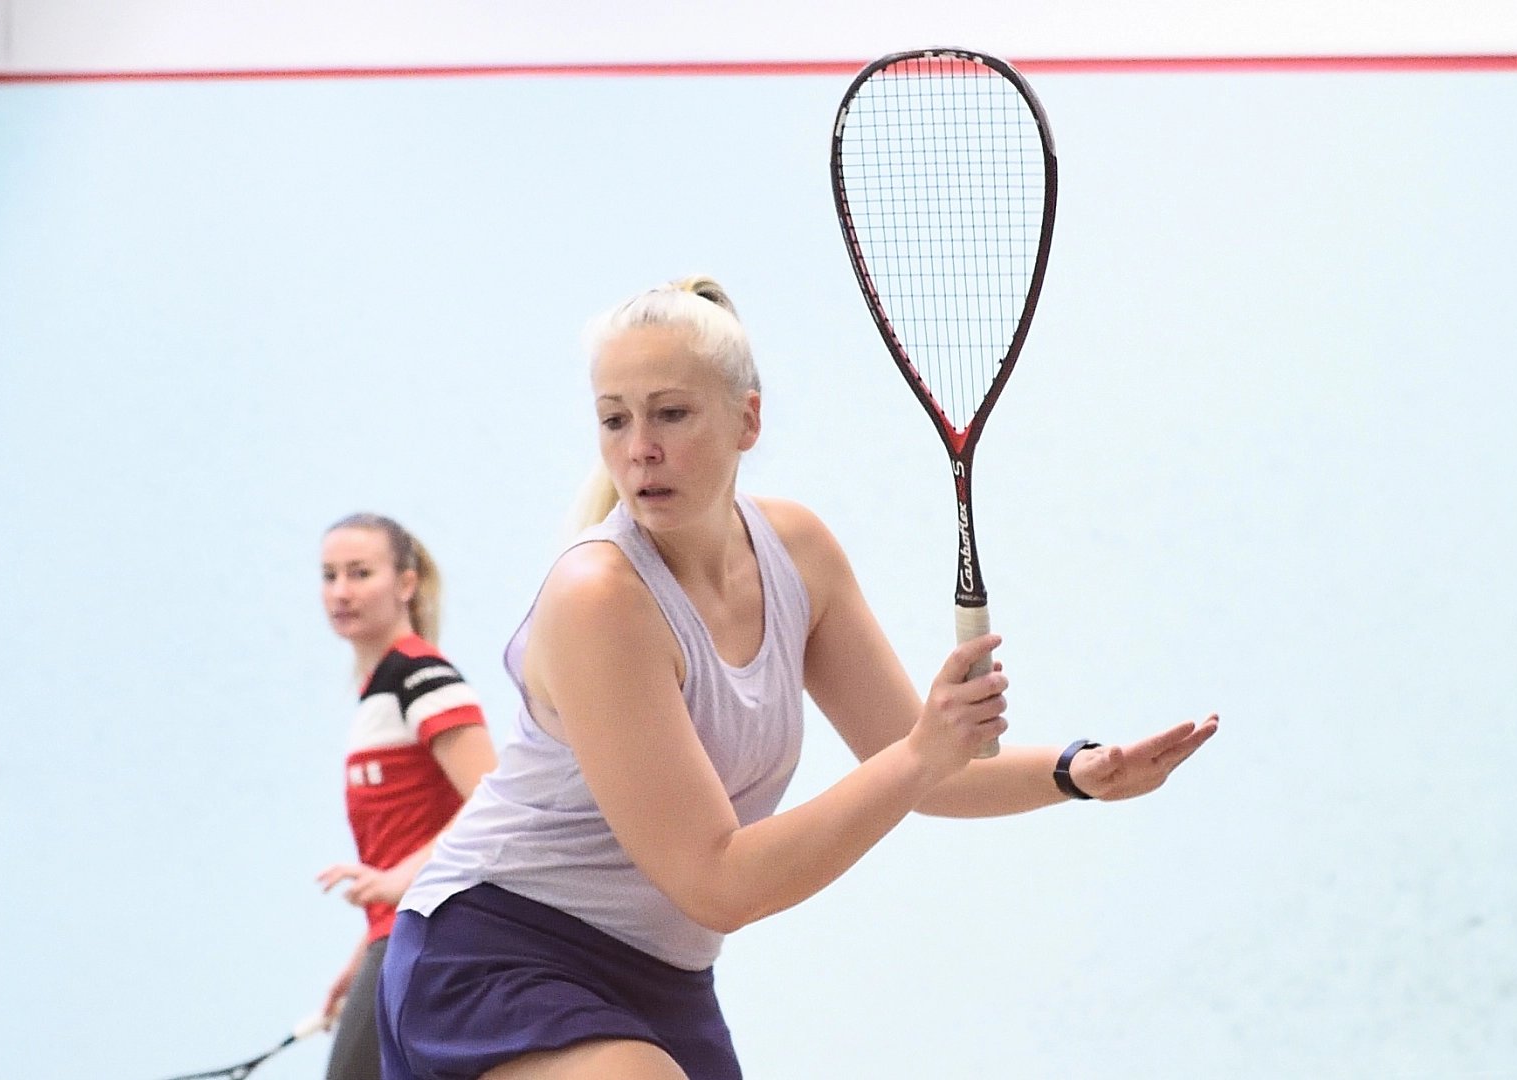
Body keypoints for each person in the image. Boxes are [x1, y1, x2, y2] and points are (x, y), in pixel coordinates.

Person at [375, 278, 1219, 1080]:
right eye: (614, 419)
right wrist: (921, 754)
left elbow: (928, 771)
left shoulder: (796, 553)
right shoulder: (600, 599)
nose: (640, 449)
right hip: (492, 949)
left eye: (671, 413)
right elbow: (718, 883)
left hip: (663, 977)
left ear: (748, 418)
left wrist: (1075, 773)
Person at [316, 512, 500, 1080]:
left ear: (406, 584)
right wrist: (362, 957)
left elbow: (494, 798)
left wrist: (398, 880)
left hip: (433, 931)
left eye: (360, 573)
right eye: (329, 575)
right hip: (398, 935)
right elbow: (403, 838)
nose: (341, 591)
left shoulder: (420, 675)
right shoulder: (377, 695)